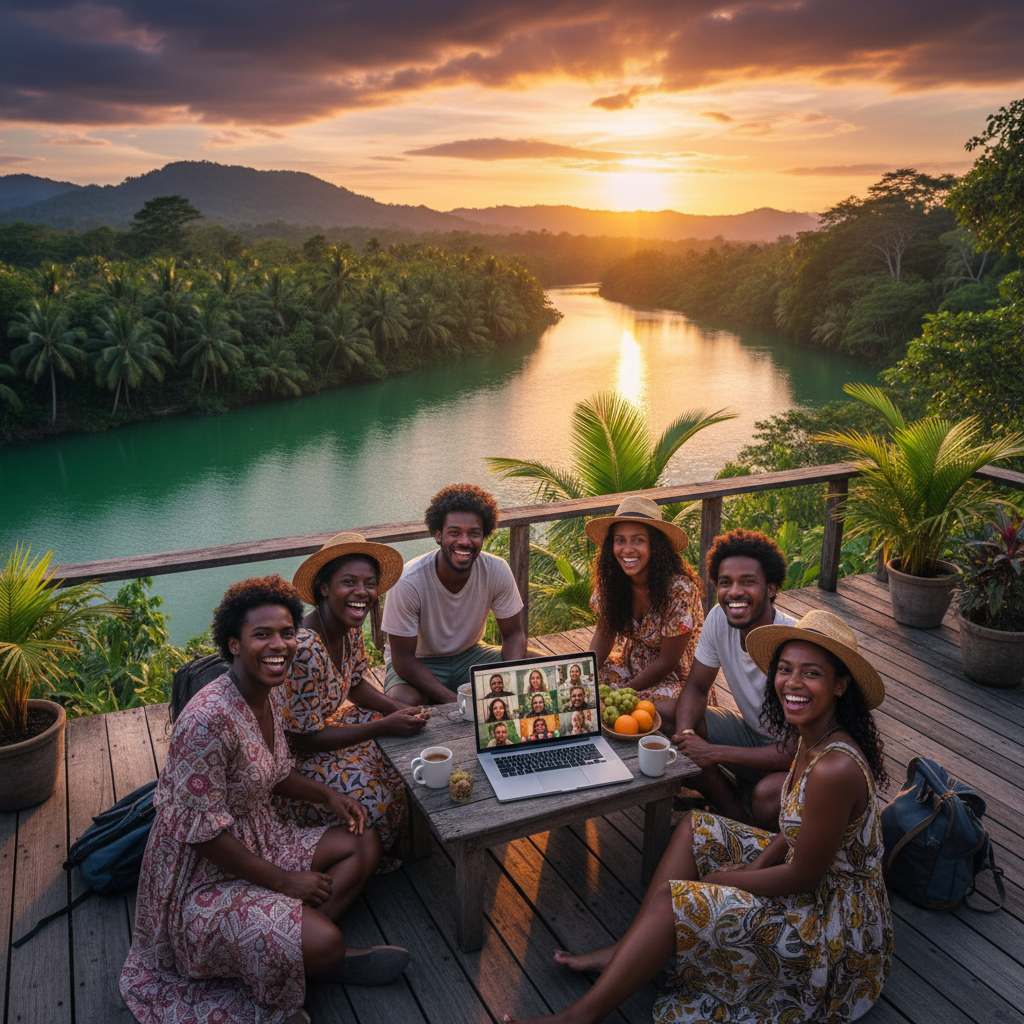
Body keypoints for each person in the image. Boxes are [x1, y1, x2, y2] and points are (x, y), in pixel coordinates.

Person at [512, 609, 893, 1024]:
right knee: (694, 826)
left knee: (673, 898)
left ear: (840, 685)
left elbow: (804, 876)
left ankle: (581, 1016)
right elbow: (793, 830)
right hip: (809, 879)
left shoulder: (834, 768)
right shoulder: (811, 735)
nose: (793, 683)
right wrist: (753, 866)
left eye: (812, 673)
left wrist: (730, 879)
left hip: (832, 926)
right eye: (785, 669)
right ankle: (628, 951)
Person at [120, 576, 409, 1024]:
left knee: (363, 839)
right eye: (262, 635)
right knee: (329, 942)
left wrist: (328, 794)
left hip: (260, 837)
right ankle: (313, 955)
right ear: (234, 644)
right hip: (201, 878)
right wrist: (283, 882)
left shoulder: (267, 692)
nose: (280, 644)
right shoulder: (206, 721)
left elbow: (274, 773)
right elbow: (200, 836)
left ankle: (291, 953)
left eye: (287, 632)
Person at [276, 533, 429, 856]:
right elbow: (301, 740)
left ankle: (396, 839)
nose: (362, 592)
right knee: (377, 791)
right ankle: (360, 851)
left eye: (369, 583)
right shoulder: (305, 649)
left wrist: (396, 709)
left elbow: (356, 683)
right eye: (349, 582)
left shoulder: (349, 627)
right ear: (324, 588)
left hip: (326, 729)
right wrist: (384, 725)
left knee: (403, 752)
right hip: (292, 763)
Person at [670, 528, 798, 828]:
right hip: (751, 734)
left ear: (771, 588)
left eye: (748, 582)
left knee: (768, 796)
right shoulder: (719, 618)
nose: (735, 592)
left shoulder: (791, 643)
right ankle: (735, 816)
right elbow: (697, 687)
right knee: (668, 714)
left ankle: (743, 818)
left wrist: (711, 752)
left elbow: (794, 750)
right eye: (725, 582)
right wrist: (687, 735)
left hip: (797, 759)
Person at [382, 484, 528, 706]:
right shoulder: (408, 581)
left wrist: (508, 681)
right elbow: (402, 659)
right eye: (454, 532)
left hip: (469, 655)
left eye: (474, 533)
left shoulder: (496, 569)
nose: (464, 541)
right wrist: (453, 700)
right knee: (401, 701)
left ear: (484, 536)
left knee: (539, 667)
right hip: (419, 662)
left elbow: (514, 635)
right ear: (438, 535)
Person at [586, 496, 704, 734]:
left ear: (655, 546)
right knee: (585, 692)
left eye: (638, 540)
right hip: (630, 665)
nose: (627, 549)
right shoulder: (613, 582)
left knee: (640, 709)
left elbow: (668, 661)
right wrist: (583, 675)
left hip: (674, 677)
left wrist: (626, 690)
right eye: (620, 540)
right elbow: (604, 635)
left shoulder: (678, 590)